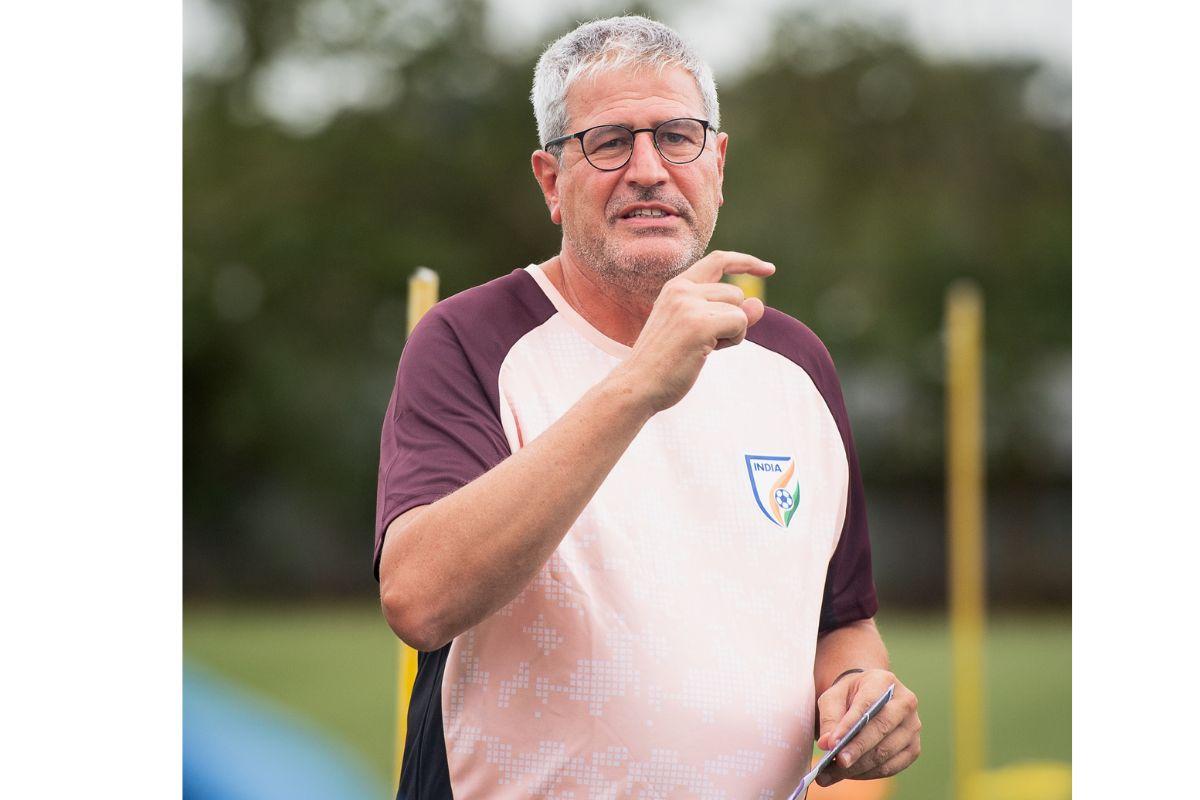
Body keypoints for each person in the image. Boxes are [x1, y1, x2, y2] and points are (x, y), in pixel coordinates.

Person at [375, 15, 920, 799]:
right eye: (608, 142)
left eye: (677, 136)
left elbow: (843, 623)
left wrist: (864, 690)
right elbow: (419, 599)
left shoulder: (795, 363)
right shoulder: (470, 340)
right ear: (550, 180)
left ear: (718, 165)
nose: (648, 170)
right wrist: (636, 385)